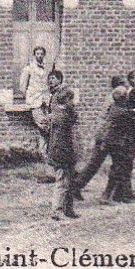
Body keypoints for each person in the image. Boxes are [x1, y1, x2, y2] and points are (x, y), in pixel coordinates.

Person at [73, 86, 135, 205]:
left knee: (95, 165)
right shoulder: (119, 110)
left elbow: (127, 114)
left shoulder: (116, 107)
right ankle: (106, 195)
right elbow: (127, 115)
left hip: (107, 140)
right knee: (115, 167)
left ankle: (77, 186)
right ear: (123, 98)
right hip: (109, 141)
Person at [46, 87, 80, 219]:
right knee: (62, 181)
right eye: (71, 100)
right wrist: (65, 156)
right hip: (61, 153)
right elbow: (60, 140)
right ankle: (57, 210)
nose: (73, 103)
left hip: (64, 152)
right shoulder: (62, 117)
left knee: (69, 181)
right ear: (66, 100)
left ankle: (68, 209)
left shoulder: (60, 114)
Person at [20, 46, 53, 156]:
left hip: (46, 100)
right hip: (35, 101)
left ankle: (44, 153)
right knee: (44, 125)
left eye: (41, 54)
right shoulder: (29, 68)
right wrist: (28, 98)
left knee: (46, 126)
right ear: (34, 55)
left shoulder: (47, 68)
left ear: (44, 55)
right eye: (37, 53)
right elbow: (22, 86)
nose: (39, 55)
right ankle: (44, 153)